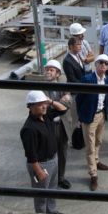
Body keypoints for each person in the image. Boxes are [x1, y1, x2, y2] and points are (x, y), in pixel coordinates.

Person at [19, 89, 68, 214]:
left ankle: (52, 211)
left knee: (52, 189)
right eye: (40, 104)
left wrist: (51, 101)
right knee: (41, 195)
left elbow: (63, 110)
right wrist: (39, 171)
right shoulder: (29, 128)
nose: (44, 106)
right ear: (30, 107)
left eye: (44, 103)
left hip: (53, 159)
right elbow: (31, 155)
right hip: (41, 164)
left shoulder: (46, 116)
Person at [78, 55, 108, 191]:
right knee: (90, 147)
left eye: (106, 63)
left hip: (101, 115)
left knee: (98, 141)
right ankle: (93, 175)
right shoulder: (87, 79)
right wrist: (81, 117)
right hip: (89, 117)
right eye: (101, 63)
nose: (103, 65)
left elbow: (107, 98)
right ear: (96, 64)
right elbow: (79, 99)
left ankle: (96, 161)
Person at [43, 59, 71, 189]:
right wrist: (59, 104)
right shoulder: (41, 89)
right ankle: (49, 178)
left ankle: (61, 177)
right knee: (48, 153)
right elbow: (43, 108)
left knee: (62, 152)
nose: (48, 72)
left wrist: (52, 103)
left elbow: (68, 104)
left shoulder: (63, 87)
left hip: (62, 125)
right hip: (48, 126)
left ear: (58, 74)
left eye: (51, 70)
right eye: (47, 69)